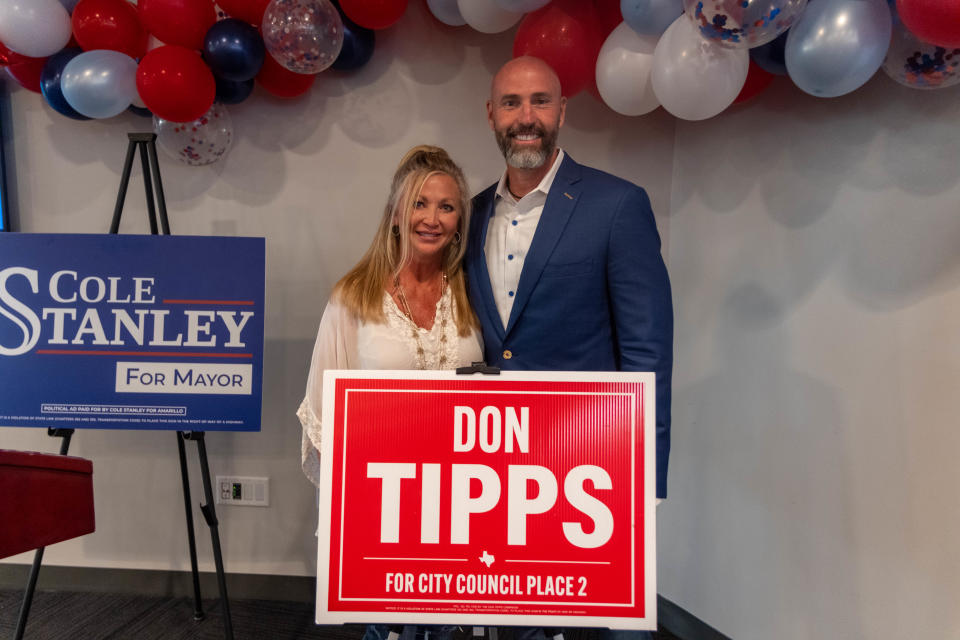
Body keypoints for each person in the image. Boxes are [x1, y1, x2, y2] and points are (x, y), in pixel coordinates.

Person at [465, 56, 674, 640]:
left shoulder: (617, 205)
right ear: (490, 115)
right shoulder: (471, 213)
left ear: (562, 110)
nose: (525, 116)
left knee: (596, 622)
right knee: (517, 616)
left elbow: (648, 351)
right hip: (497, 468)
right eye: (511, 102)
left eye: (539, 101)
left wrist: (646, 478)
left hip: (591, 466)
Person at [297, 145, 483, 640]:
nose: (432, 218)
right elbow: (323, 409)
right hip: (385, 499)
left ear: (460, 220)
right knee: (391, 628)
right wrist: (352, 508)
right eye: (419, 204)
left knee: (449, 628)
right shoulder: (353, 295)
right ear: (396, 216)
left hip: (462, 496)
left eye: (446, 206)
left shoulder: (472, 293)